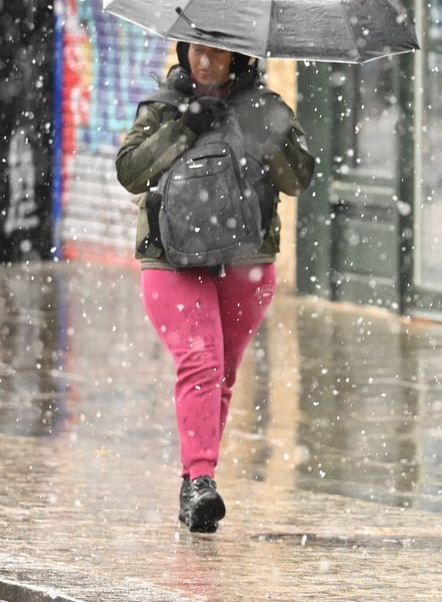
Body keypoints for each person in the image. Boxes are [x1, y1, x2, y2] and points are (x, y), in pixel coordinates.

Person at [116, 41, 315, 534]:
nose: (204, 63)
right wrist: (186, 125)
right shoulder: (164, 105)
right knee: (200, 360)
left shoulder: (262, 105)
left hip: (245, 258)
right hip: (171, 257)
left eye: (218, 54)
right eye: (197, 52)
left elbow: (298, 178)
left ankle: (196, 480)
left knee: (221, 373)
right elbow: (130, 170)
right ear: (183, 53)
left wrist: (267, 124)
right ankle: (201, 480)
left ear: (240, 59)